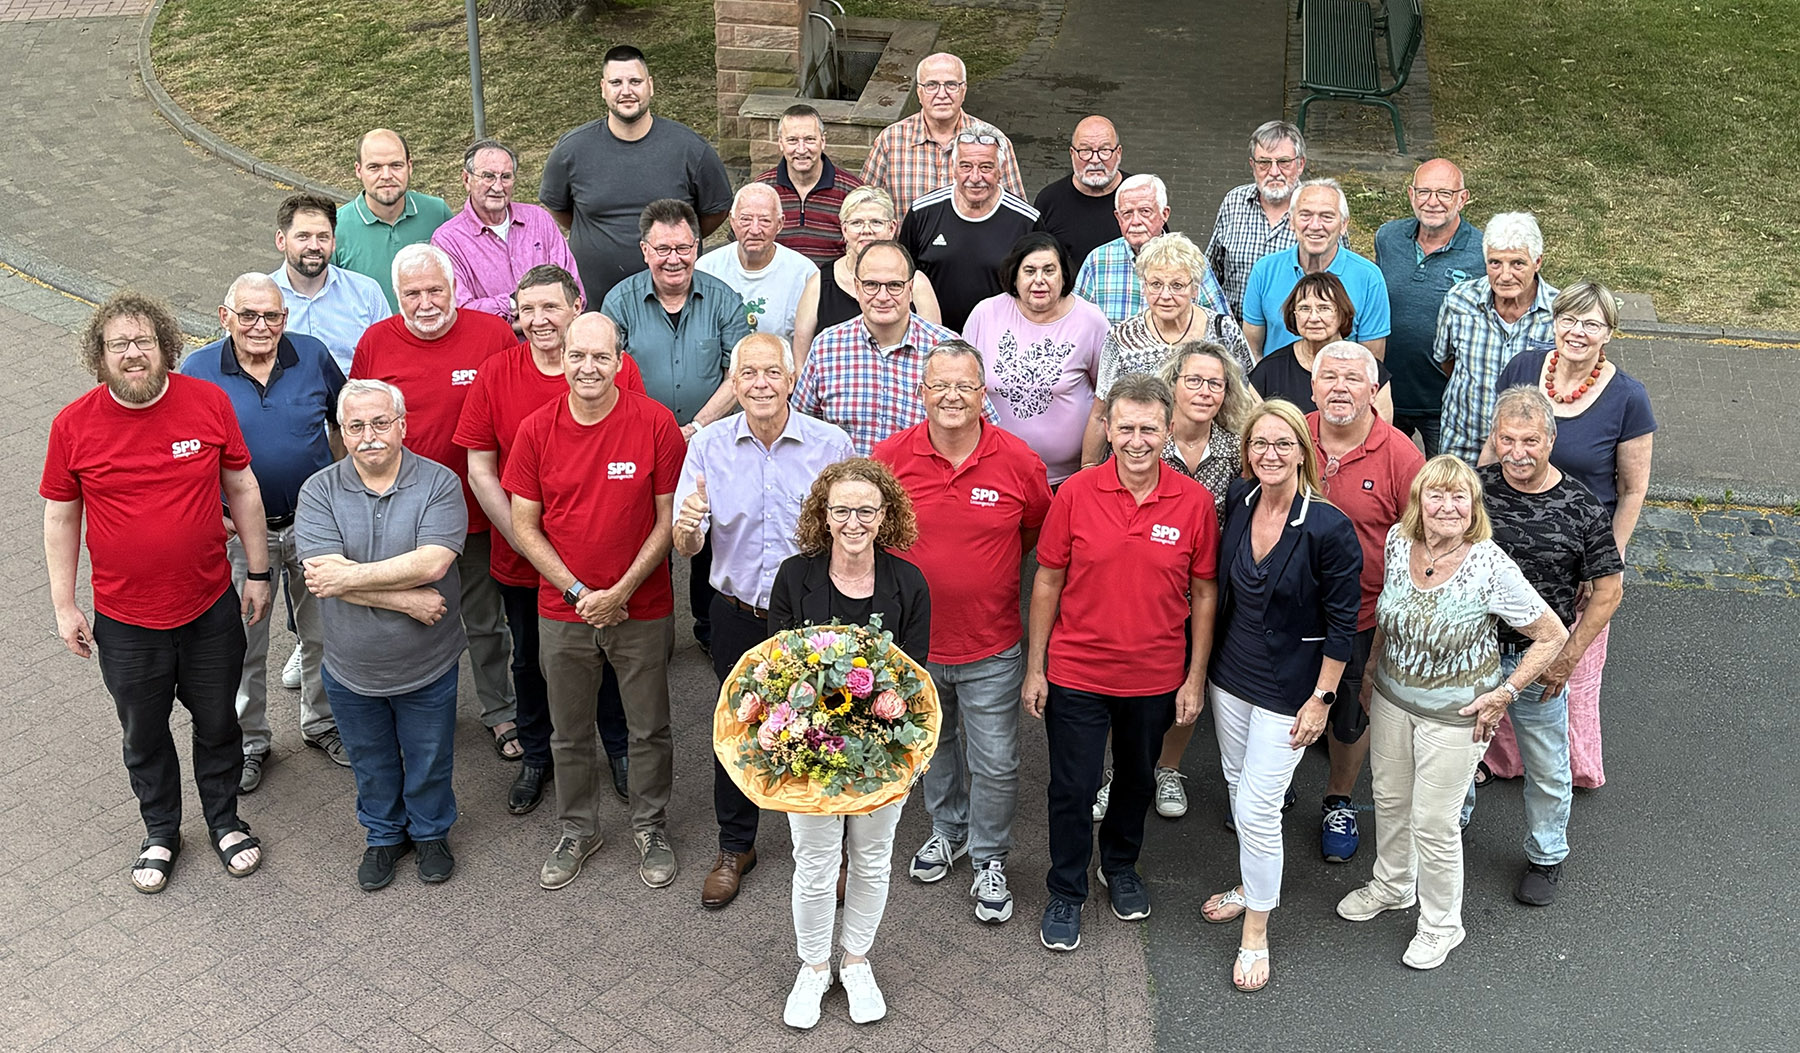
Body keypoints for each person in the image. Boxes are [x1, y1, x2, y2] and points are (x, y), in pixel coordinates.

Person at [43, 291, 269, 894]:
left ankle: (224, 820)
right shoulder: (73, 425)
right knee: (144, 733)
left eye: (144, 341)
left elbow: (242, 488)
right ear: (99, 356)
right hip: (125, 619)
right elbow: (62, 518)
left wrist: (258, 570)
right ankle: (161, 832)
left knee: (219, 721)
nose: (133, 353)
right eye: (119, 344)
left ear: (167, 347)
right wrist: (65, 606)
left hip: (208, 607)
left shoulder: (207, 402)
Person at [1336, 455, 1567, 971]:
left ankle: (1442, 924)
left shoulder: (1489, 564)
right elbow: (1385, 615)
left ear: (1473, 506)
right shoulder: (1399, 542)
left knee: (1434, 822)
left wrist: (1505, 693)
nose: (1447, 506)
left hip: (1457, 714)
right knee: (1390, 799)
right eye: (1435, 495)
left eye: (1459, 496)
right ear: (1418, 502)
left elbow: (1552, 635)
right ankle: (1393, 886)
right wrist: (1372, 673)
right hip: (1395, 700)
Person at [1025, 374, 1219, 954]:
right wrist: (1036, 669)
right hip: (1078, 672)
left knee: (1135, 780)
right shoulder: (1076, 493)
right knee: (1073, 785)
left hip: (1155, 674)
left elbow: (1205, 592)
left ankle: (1120, 864)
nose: (1137, 440)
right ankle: (1065, 888)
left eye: (1149, 429)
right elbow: (1047, 581)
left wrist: (1195, 676)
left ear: (1168, 431)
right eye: (1126, 428)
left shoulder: (1194, 502)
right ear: (1107, 429)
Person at [454, 265, 646, 815]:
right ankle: (538, 754)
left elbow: (633, 447)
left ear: (576, 306)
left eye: (550, 307)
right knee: (531, 659)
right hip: (525, 558)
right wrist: (521, 536)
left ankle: (619, 749)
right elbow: (481, 467)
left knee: (607, 653)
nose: (538, 320)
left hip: (600, 554)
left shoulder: (617, 368)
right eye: (527, 308)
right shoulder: (496, 373)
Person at [504, 314, 685, 891]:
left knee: (650, 726)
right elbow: (524, 526)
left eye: (600, 357)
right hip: (565, 610)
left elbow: (667, 520)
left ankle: (651, 825)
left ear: (619, 360)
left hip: (643, 605)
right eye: (577, 356)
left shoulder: (655, 424)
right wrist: (581, 593)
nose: (588, 368)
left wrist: (621, 591)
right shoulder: (536, 430)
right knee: (568, 730)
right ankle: (578, 828)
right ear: (562, 357)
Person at [674, 333, 855, 910]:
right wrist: (689, 525)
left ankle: (832, 850)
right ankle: (736, 847)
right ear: (734, 382)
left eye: (771, 372)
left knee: (827, 726)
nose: (759, 384)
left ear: (791, 376)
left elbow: (854, 532)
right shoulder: (706, 450)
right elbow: (685, 544)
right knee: (739, 727)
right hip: (737, 613)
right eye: (747, 374)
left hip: (813, 614)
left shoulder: (832, 444)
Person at [874, 343, 1052, 925]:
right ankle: (947, 831)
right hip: (916, 645)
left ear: (984, 394)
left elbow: (1034, 536)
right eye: (939, 386)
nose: (952, 397)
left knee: (996, 760)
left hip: (991, 644)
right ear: (921, 392)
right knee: (935, 749)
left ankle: (990, 856)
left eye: (965, 386)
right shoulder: (890, 460)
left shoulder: (1019, 462)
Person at [1199, 399, 1361, 993]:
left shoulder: (1328, 526)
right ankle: (1250, 883)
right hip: (1231, 679)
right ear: (1247, 452)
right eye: (1259, 444)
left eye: (1282, 444)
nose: (1269, 454)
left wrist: (1322, 697)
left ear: (1303, 452)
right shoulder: (1239, 505)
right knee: (1240, 791)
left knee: (1261, 809)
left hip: (1291, 692)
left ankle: (1257, 933)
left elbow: (1344, 623)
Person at [769, 458, 931, 1029]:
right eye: (841, 510)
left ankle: (856, 960)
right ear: (824, 515)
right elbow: (779, 671)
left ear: (885, 516)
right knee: (814, 863)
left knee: (871, 860)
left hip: (882, 755)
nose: (853, 521)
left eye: (866, 510)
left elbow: (914, 681)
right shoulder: (794, 576)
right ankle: (813, 967)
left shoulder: (909, 583)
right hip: (808, 752)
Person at [350, 243, 521, 760]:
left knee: (485, 619)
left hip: (477, 509)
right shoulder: (376, 342)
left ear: (453, 289)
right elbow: (357, 426)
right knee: (414, 616)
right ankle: (421, 713)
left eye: (435, 290)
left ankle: (500, 711)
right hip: (403, 514)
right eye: (412, 293)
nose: (425, 303)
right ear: (396, 294)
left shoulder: (491, 335)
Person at [296, 379, 468, 890]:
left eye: (379, 423)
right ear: (342, 433)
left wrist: (347, 578)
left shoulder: (439, 483)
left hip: (427, 662)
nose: (368, 436)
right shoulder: (319, 489)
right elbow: (320, 574)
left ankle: (432, 831)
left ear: (402, 426)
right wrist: (404, 597)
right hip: (351, 666)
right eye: (355, 427)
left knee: (430, 755)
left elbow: (434, 561)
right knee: (369, 760)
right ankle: (384, 835)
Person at [181, 273, 348, 792]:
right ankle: (251, 741)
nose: (261, 326)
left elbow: (342, 420)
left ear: (286, 318)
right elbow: (183, 450)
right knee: (244, 642)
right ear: (224, 315)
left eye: (272, 316)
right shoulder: (199, 369)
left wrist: (339, 491)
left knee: (324, 632)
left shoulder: (313, 355)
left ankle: (320, 723)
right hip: (241, 537)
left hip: (315, 527)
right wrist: (215, 513)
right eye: (248, 315)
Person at [1467, 386, 1625, 904]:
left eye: (1529, 440)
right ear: (1493, 437)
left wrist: (1567, 658)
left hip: (1538, 660)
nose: (1517, 452)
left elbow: (1608, 592)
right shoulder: (1473, 489)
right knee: (1457, 754)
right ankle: (1446, 837)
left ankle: (1545, 856)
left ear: (1551, 440)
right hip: (1471, 651)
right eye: (1506, 438)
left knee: (1548, 766)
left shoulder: (1581, 507)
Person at [1493, 281, 1654, 788]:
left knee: (1568, 664)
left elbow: (1632, 491)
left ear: (1609, 333)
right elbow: (1495, 445)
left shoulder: (1628, 397)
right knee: (1501, 648)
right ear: (1553, 319)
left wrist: (1607, 561)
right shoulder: (1523, 367)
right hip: (1512, 541)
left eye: (1592, 324)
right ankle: (1500, 758)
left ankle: (1566, 766)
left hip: (1578, 551)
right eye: (1569, 319)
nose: (1577, 332)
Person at [1105, 342, 1251, 823]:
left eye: (1215, 383)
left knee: (1189, 680)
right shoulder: (1145, 437)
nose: (1204, 391)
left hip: (1207, 590)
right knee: (1125, 685)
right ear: (1173, 384)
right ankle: (1118, 772)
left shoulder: (1235, 448)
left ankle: (1168, 767)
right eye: (1194, 380)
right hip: (1141, 586)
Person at [602, 198, 751, 654]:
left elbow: (738, 373)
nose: (674, 259)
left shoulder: (723, 298)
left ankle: (709, 630)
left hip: (709, 440)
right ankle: (656, 632)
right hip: (640, 439)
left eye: (684, 247)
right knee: (649, 535)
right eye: (663, 248)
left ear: (697, 246)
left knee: (709, 534)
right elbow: (607, 373)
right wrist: (656, 428)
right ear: (645, 250)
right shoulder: (619, 301)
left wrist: (699, 425)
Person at [1305, 341, 1425, 863]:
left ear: (1373, 392)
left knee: (1350, 715)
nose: (1339, 388)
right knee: (1276, 705)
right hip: (1285, 614)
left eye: (1353, 379)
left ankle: (1338, 799)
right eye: (1329, 377)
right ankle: (1273, 787)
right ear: (1312, 385)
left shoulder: (1401, 456)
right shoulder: (1288, 435)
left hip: (1360, 616)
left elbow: (1420, 545)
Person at [541, 44, 733, 304]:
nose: (626, 91)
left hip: (672, 303)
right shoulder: (571, 150)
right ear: (603, 88)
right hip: (594, 304)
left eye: (635, 81)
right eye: (616, 82)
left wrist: (676, 240)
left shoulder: (691, 150)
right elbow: (557, 208)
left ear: (650, 86)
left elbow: (716, 211)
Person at [795, 240, 987, 455]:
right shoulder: (826, 348)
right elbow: (802, 429)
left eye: (894, 285)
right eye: (871, 285)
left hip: (921, 485)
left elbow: (983, 429)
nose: (883, 297)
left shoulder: (947, 350)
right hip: (845, 484)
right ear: (857, 287)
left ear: (911, 288)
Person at [1083, 233, 1250, 466]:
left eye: (1177, 285)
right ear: (1143, 286)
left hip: (1213, 462)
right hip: (1137, 461)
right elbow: (1100, 412)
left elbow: (1247, 396)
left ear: (1195, 289)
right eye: (1156, 284)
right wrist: (1088, 470)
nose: (1165, 296)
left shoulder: (1222, 331)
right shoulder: (1121, 338)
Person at [961, 232, 1108, 485]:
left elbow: (1106, 397)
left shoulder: (1091, 321)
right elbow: (962, 385)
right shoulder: (985, 314)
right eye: (1029, 271)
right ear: (1015, 277)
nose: (1039, 280)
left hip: (1069, 479)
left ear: (1063, 276)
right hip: (993, 473)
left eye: (1049, 270)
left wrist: (1089, 470)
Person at [1373, 160, 1482, 455]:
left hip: (1445, 402)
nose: (1432, 202)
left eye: (1444, 193)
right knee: (1387, 482)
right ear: (1411, 194)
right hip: (1387, 394)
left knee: (1444, 485)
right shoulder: (1388, 238)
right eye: (1424, 192)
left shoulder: (1482, 252)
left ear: (1463, 198)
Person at [1433, 212, 1558, 465]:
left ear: (1538, 262)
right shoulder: (1459, 301)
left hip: (1524, 450)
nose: (1505, 275)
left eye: (1517, 264)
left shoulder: (1560, 313)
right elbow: (1446, 361)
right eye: (1495, 263)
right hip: (1462, 441)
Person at [431, 138, 584, 332]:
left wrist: (517, 319)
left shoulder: (539, 220)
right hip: (493, 352)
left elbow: (573, 292)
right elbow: (461, 312)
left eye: (505, 177)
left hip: (555, 346)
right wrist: (514, 303)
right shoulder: (448, 240)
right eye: (488, 176)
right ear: (466, 180)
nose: (497, 186)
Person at [897, 132, 1039, 332]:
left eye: (986, 167)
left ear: (1001, 171)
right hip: (933, 339)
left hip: (1000, 340)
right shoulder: (922, 212)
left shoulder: (1027, 221)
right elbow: (902, 278)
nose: (975, 177)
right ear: (954, 169)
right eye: (966, 166)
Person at [791, 187, 943, 367]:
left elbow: (936, 353)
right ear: (844, 229)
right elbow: (801, 361)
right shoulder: (819, 284)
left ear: (892, 227)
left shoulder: (917, 284)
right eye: (857, 222)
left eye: (876, 222)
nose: (866, 230)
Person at [1241, 179, 1390, 360]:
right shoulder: (1264, 271)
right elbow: (1252, 350)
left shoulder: (1368, 278)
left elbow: (1372, 361)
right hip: (1274, 386)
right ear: (1291, 221)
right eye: (1305, 215)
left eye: (1327, 216)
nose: (1315, 225)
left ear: (1343, 225)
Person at [860, 51, 1024, 216]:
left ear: (964, 90)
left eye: (951, 85)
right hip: (908, 242)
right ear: (919, 92)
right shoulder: (891, 140)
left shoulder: (993, 141)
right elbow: (862, 206)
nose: (942, 94)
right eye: (931, 85)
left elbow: (1017, 212)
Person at [1074, 174, 1229, 324]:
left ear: (1164, 214)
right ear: (1118, 217)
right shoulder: (1097, 261)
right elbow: (1077, 324)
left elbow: (1221, 327)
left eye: (1145, 212)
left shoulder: (1190, 261)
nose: (1135, 221)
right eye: (1127, 213)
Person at [332, 129, 454, 311]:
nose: (387, 175)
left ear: (409, 166)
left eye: (396, 165)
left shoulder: (437, 213)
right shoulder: (336, 227)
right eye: (374, 167)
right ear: (358, 170)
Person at [270, 193, 390, 375]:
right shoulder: (257, 298)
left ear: (333, 242)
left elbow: (388, 359)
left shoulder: (366, 293)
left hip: (351, 399)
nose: (314, 246)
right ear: (281, 240)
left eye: (323, 237)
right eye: (303, 237)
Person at [1248, 272, 1393, 419]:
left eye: (1324, 308)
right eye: (1304, 308)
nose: (1313, 318)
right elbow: (1253, 432)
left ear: (1342, 313)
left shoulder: (1370, 370)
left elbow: (1382, 434)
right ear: (1294, 314)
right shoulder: (1268, 372)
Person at [1206, 121, 1310, 318]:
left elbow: (1339, 281)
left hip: (1296, 337)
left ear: (1300, 164)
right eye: (1264, 162)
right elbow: (1211, 273)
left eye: (1283, 162)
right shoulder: (1233, 202)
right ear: (1252, 165)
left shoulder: (1319, 209)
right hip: (1234, 331)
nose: (1274, 172)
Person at [696, 183, 816, 343]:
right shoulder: (706, 269)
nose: (754, 229)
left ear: (780, 224)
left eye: (765, 220)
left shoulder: (804, 274)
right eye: (745, 219)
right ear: (732, 221)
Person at [755, 103, 865, 265]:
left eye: (809, 139)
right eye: (792, 140)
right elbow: (743, 245)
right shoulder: (762, 190)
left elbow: (865, 251)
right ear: (780, 143)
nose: (801, 149)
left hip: (830, 287)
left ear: (823, 141)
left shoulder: (852, 192)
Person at [1032, 115, 1131, 269]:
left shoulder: (1140, 194)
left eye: (1105, 150)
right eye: (1085, 150)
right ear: (1072, 153)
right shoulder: (1049, 200)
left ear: (1118, 153)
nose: (1095, 160)